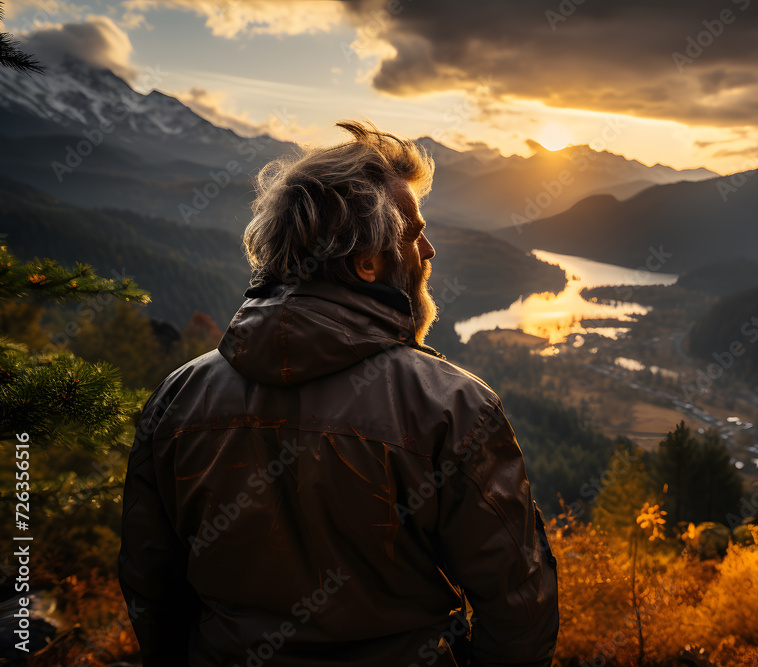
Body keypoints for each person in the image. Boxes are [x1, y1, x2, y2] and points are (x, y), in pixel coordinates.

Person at [118, 121, 559, 667]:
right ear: (366, 262)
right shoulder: (452, 408)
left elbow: (150, 586)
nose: (429, 248)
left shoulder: (178, 399)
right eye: (413, 232)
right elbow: (519, 609)